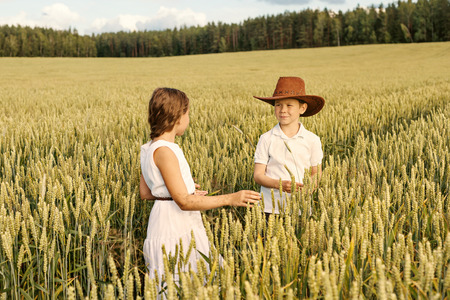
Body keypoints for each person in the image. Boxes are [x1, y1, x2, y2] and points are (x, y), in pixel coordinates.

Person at [139, 87, 260, 286]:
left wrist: (182, 187)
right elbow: (184, 202)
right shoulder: (165, 151)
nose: (188, 118)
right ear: (177, 116)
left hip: (162, 220)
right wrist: (231, 198)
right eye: (187, 113)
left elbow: (147, 193)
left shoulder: (148, 147)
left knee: (175, 281)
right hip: (175, 226)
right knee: (185, 280)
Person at [253, 76, 325, 215]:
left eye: (289, 105)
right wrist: (279, 185)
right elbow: (258, 175)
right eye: (278, 105)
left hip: (300, 209)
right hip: (269, 208)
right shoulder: (266, 138)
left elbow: (316, 173)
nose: (282, 110)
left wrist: (308, 189)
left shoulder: (312, 140)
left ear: (302, 108)